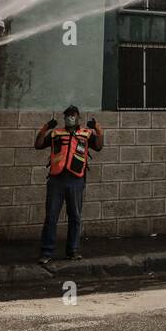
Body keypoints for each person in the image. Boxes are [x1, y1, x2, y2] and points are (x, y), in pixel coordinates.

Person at [33, 105, 104, 264]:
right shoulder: (56, 133)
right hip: (56, 179)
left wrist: (98, 130)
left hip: (76, 179)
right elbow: (38, 145)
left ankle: (72, 250)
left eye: (73, 115)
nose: (70, 117)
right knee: (51, 217)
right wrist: (45, 128)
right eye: (67, 115)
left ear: (78, 117)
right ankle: (46, 252)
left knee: (75, 216)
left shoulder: (86, 134)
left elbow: (98, 146)